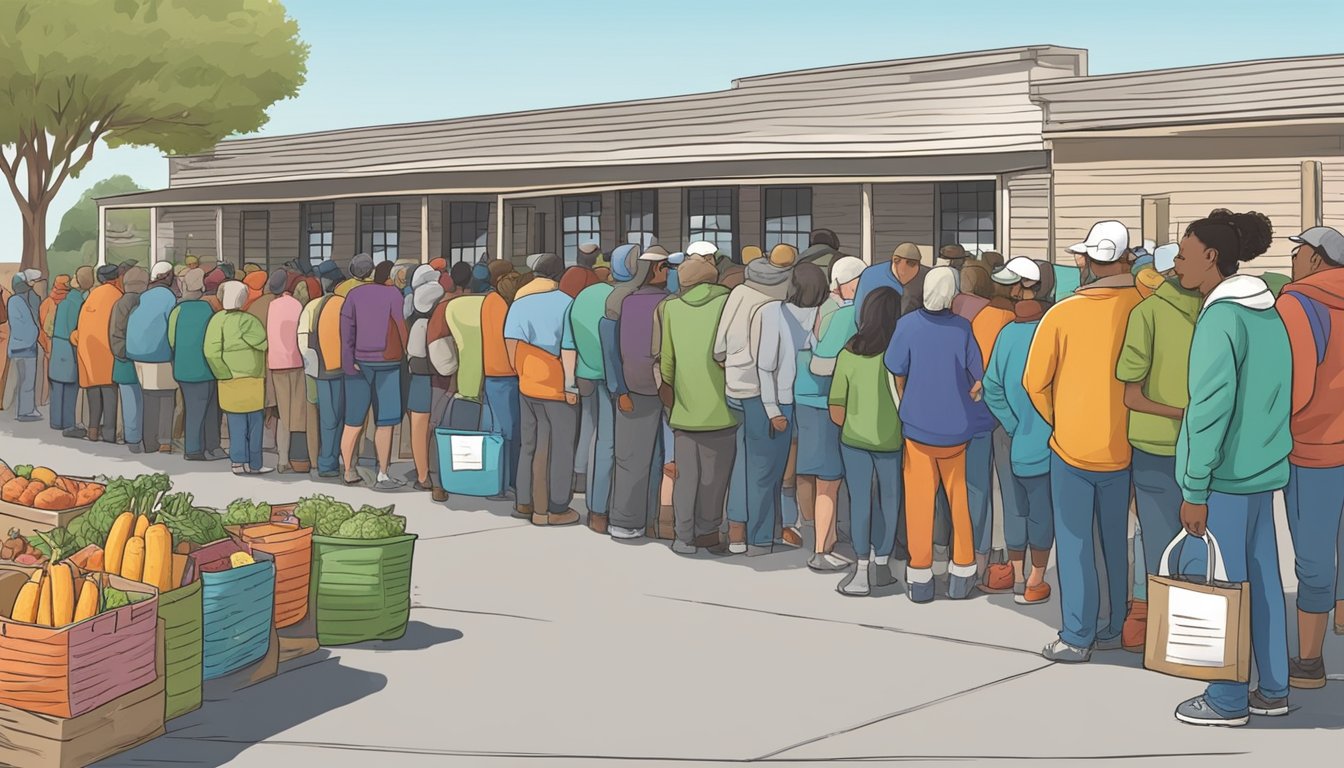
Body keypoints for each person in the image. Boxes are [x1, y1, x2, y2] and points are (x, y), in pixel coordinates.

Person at [1168, 209, 1291, 726]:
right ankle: (1274, 687)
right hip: (1262, 471)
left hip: (1223, 480)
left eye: (1183, 253)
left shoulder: (1221, 317)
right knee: (1261, 579)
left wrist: (1194, 486)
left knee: (1222, 586)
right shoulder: (1267, 312)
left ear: (1210, 257)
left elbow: (1209, 408)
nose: (1175, 264)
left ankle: (1226, 699)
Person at [1025, 219, 1141, 662]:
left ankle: (1077, 634)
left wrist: (1061, 419)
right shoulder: (1144, 307)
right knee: (1116, 540)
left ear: (1091, 262)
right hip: (1126, 446)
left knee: (1074, 543)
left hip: (1072, 447)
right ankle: (1112, 626)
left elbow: (1034, 381)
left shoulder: (1063, 314)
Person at [1111, 241, 1201, 650]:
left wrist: (1178, 413)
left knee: (1155, 537)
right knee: (1201, 535)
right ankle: (1194, 626)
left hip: (1153, 443)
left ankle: (1145, 617)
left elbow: (1131, 396)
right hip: (1207, 446)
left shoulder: (1145, 313)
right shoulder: (1217, 311)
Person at [886, 267, 984, 603]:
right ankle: (962, 571)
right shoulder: (963, 328)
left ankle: (921, 576)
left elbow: (896, 371)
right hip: (956, 430)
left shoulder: (907, 326)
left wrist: (906, 403)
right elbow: (976, 379)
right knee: (958, 499)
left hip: (918, 428)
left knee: (919, 502)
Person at [1277, 225, 1344, 690]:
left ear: (1317, 258)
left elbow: (1295, 385)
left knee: (1314, 555)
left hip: (1314, 447)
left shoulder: (1298, 304)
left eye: (1298, 252)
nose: (1294, 260)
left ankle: (1309, 661)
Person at [981, 263, 1056, 604]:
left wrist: (1011, 423)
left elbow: (992, 386)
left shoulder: (1008, 334)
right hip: (1050, 435)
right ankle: (1036, 577)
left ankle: (1016, 570)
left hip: (1009, 433)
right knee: (1042, 507)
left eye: (1018, 287)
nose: (1013, 293)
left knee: (1013, 504)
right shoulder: (1056, 330)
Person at [715, 243, 795, 554]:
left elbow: (718, 347)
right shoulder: (774, 303)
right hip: (763, 392)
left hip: (734, 386)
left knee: (743, 461)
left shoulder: (739, 292)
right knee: (765, 467)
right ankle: (762, 536)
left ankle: (736, 530)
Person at [659, 254, 736, 554]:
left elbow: (667, 360)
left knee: (686, 476)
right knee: (715, 479)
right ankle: (708, 532)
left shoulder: (671, 308)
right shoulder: (726, 303)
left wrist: (669, 393)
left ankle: (683, 534)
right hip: (722, 406)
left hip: (684, 406)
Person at [830, 286, 903, 595]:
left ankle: (860, 569)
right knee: (890, 500)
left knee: (860, 501)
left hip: (854, 439)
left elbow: (836, 407)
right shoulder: (898, 354)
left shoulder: (848, 353)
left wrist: (854, 424)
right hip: (892, 440)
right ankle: (882, 564)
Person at [499, 254, 580, 525]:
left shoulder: (520, 304)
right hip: (557, 383)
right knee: (561, 446)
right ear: (559, 276)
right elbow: (569, 348)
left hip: (528, 382)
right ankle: (555, 508)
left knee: (530, 443)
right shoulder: (568, 303)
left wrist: (521, 368)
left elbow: (510, 343)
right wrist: (571, 385)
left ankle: (525, 502)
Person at [756, 261, 829, 552]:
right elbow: (765, 365)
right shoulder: (774, 313)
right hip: (796, 401)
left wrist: (771, 408)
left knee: (805, 467)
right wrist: (772, 409)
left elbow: (765, 366)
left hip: (808, 400)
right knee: (794, 467)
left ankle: (806, 525)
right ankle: (793, 523)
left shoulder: (823, 314)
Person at [800, 255, 864, 571]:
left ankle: (823, 540)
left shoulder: (831, 311)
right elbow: (821, 365)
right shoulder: (848, 313)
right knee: (829, 479)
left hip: (813, 399)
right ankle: (822, 550)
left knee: (820, 476)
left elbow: (818, 361)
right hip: (828, 403)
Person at [606, 247, 672, 539]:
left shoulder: (623, 303)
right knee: (658, 457)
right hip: (664, 390)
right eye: (665, 267)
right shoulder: (670, 304)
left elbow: (612, 352)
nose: (669, 272)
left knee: (633, 457)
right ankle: (645, 520)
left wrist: (619, 387)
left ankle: (629, 520)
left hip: (633, 388)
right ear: (654, 270)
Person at [340, 261, 409, 490]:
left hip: (359, 364)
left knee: (353, 421)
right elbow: (401, 327)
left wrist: (349, 362)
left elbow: (346, 331)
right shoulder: (393, 295)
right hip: (388, 363)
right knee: (385, 421)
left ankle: (348, 470)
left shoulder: (353, 294)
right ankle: (382, 473)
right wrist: (406, 355)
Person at [565, 246, 619, 532]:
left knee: (589, 424)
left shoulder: (581, 298)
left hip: (584, 372)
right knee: (607, 438)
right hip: (610, 376)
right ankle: (599, 497)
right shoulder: (616, 298)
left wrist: (568, 381)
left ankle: (580, 475)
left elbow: (568, 342)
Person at [204, 280, 271, 475]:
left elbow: (210, 352)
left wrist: (222, 373)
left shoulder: (216, 321)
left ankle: (237, 462)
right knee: (255, 425)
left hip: (227, 380)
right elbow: (263, 344)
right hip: (252, 378)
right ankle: (254, 464)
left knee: (235, 423)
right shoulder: (249, 321)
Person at [169, 268, 223, 461]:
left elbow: (171, 339)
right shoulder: (208, 309)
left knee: (193, 408)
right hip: (206, 368)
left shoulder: (177, 310)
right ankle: (199, 449)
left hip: (183, 369)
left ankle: (198, 447)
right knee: (208, 410)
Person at [126, 262, 179, 453]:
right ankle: (164, 441)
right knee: (166, 397)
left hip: (138, 353)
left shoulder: (144, 296)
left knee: (148, 397)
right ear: (167, 276)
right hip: (160, 352)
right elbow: (172, 325)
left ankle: (149, 442)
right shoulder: (169, 297)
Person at [481, 259, 522, 498]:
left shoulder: (488, 302)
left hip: (491, 374)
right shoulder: (508, 304)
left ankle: (494, 481)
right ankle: (509, 482)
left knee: (495, 431)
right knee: (510, 432)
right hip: (509, 374)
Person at [405, 265, 447, 492]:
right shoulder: (443, 303)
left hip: (418, 371)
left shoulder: (409, 305)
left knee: (419, 427)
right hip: (442, 372)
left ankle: (423, 475)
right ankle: (438, 472)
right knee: (438, 424)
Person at [264, 268, 308, 473]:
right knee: (298, 412)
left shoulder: (270, 306)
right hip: (297, 362)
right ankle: (298, 458)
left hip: (276, 364)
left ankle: (282, 459)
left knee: (282, 414)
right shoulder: (297, 305)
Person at [109, 266, 147, 452]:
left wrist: (122, 352)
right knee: (146, 401)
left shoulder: (120, 303)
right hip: (145, 359)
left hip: (123, 359)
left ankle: (132, 439)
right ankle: (144, 437)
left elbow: (115, 333)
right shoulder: (145, 302)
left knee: (129, 402)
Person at [50, 267, 92, 436]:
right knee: (71, 386)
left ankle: (55, 421)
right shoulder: (80, 304)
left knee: (57, 386)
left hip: (58, 345)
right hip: (71, 345)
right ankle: (68, 422)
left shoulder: (65, 302)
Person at [6, 270, 45, 422]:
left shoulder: (13, 300)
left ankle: (23, 409)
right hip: (27, 347)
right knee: (27, 380)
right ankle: (25, 410)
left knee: (22, 380)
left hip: (17, 346)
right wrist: (34, 335)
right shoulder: (26, 300)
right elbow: (30, 325)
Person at [857, 242, 926, 318]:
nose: (903, 273)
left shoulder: (927, 276)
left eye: (911, 264)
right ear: (895, 260)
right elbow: (859, 311)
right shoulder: (870, 275)